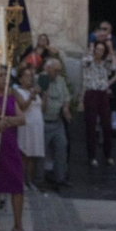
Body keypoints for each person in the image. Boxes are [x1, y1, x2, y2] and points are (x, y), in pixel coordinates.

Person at [0, 64, 28, 231]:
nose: (4, 79)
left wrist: (7, 121)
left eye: (5, 75)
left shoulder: (11, 96)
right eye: (0, 75)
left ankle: (18, 225)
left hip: (10, 146)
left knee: (17, 186)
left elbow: (22, 118)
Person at [78, 39, 116, 167]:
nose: (99, 52)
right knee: (91, 125)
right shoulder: (88, 61)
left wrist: (110, 49)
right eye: (98, 49)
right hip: (91, 94)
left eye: (102, 50)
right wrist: (90, 50)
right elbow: (85, 62)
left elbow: (114, 67)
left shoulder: (104, 63)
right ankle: (92, 156)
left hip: (103, 94)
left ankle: (108, 155)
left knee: (106, 125)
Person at [39, 57, 72, 188]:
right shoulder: (41, 79)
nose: (56, 73)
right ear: (47, 69)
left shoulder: (61, 80)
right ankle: (39, 178)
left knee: (61, 147)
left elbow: (66, 96)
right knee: (42, 152)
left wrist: (65, 107)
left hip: (57, 120)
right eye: (54, 71)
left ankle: (60, 177)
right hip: (44, 120)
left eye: (58, 71)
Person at [14, 64, 45, 189]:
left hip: (37, 125)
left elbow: (42, 108)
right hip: (26, 125)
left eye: (31, 76)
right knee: (24, 154)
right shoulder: (17, 91)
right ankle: (21, 180)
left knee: (32, 155)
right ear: (20, 78)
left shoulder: (35, 92)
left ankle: (29, 180)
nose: (29, 79)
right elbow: (23, 106)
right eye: (26, 76)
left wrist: (44, 93)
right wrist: (31, 97)